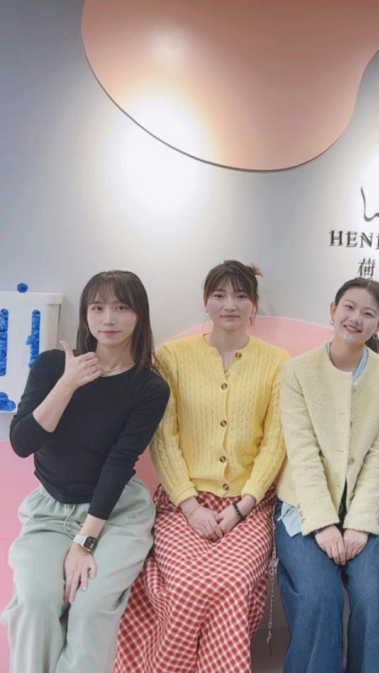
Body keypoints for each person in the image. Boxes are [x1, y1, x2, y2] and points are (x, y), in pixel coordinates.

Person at [114, 260, 288, 672]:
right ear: (205, 301)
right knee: (185, 584)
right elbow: (164, 438)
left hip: (249, 507)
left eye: (241, 296)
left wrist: (243, 506)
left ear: (254, 304)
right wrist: (191, 507)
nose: (230, 305)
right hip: (182, 504)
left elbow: (275, 442)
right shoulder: (173, 357)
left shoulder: (277, 361)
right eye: (219, 295)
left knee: (233, 582)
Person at [3, 271, 169, 673]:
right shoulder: (53, 365)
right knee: (35, 602)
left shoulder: (149, 387)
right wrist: (68, 384)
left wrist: (84, 544)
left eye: (121, 307)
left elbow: (118, 463)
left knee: (91, 607)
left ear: (139, 315)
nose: (108, 318)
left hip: (115, 513)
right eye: (98, 307)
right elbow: (23, 442)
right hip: (50, 511)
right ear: (85, 314)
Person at [275, 278, 379, 673]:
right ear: (333, 310)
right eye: (349, 307)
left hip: (368, 508)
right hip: (304, 505)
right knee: (319, 596)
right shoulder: (297, 371)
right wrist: (324, 523)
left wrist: (360, 524)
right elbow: (301, 453)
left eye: (368, 313)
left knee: (373, 594)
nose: (355, 318)